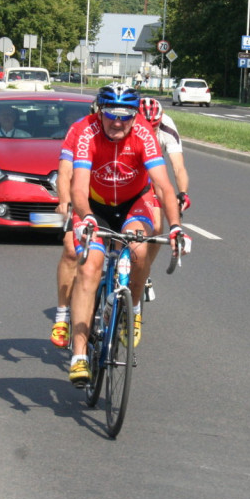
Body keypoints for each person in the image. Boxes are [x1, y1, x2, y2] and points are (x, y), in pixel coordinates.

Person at [66, 84, 190, 387]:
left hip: (133, 202)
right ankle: (79, 354)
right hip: (95, 205)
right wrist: (88, 218)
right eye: (111, 114)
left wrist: (175, 226)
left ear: (135, 116)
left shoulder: (145, 134)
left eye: (126, 116)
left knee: (138, 252)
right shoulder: (88, 133)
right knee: (89, 267)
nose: (118, 122)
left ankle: (132, 308)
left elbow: (163, 186)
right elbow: (78, 188)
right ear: (99, 111)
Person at [49, 101, 97, 349]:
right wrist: (65, 201)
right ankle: (62, 316)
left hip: (115, 200)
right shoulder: (79, 130)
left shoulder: (128, 131)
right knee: (71, 249)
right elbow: (65, 171)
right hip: (82, 200)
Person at [137, 96, 191, 301]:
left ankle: (144, 272)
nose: (149, 131)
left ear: (161, 119)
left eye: (154, 126)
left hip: (153, 175)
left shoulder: (167, 128)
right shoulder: (127, 126)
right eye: (144, 126)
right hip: (130, 173)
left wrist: (183, 192)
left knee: (157, 228)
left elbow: (178, 166)